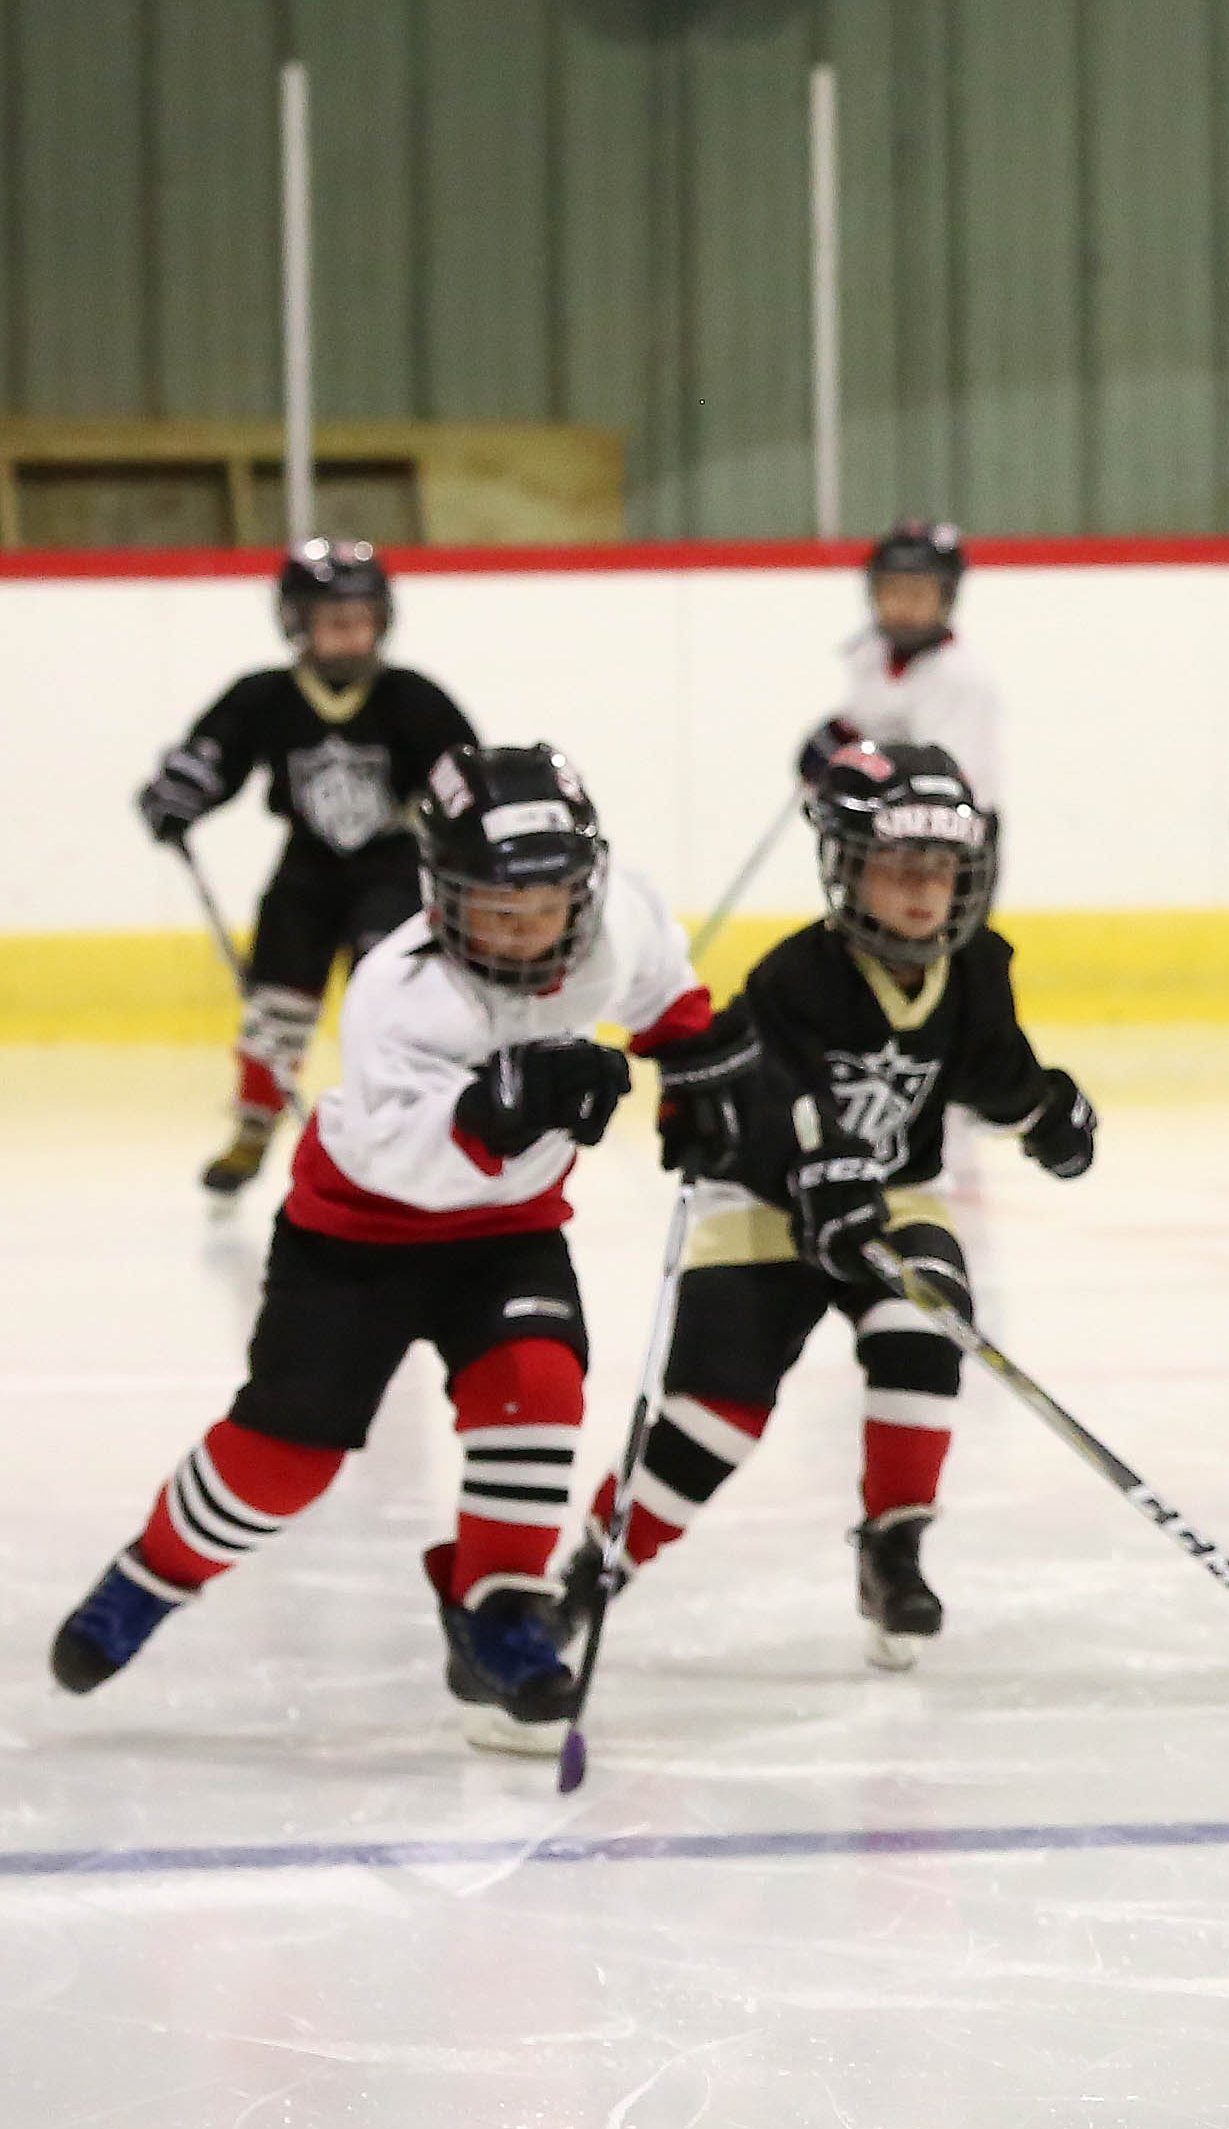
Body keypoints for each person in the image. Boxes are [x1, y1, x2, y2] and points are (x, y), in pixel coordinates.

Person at [47, 746, 737, 1753]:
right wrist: (507, 1106)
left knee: (538, 1388)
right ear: (440, 893)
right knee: (288, 1457)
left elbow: (665, 986)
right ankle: (152, 1572)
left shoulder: (610, 921)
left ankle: (496, 1615)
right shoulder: (398, 992)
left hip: (507, 1235)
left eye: (544, 903)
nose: (521, 926)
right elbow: (402, 1159)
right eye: (494, 905)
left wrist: (698, 1069)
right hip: (358, 1238)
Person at [571, 742, 1096, 1669]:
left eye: (941, 869)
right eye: (899, 868)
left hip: (893, 1197)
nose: (925, 892)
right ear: (845, 868)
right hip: (763, 1206)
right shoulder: (793, 979)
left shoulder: (977, 967)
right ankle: (592, 1571)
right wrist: (803, 1165)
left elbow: (993, 1069)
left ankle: (894, 1548)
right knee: (712, 1417)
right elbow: (752, 1106)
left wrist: (1047, 1113)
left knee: (925, 1327)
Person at [132, 539, 481, 1196]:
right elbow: (212, 756)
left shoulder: (412, 697)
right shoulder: (264, 696)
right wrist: (179, 795)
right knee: (276, 1001)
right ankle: (255, 1127)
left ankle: (406, 1119)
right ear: (296, 622)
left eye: (363, 615)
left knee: (395, 992)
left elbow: (462, 775)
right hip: (307, 870)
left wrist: (473, 829)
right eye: (333, 617)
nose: (351, 631)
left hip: (394, 866)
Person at [800, 520, 1005, 810]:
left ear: (946, 597)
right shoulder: (871, 656)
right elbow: (868, 722)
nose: (902, 605)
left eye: (917, 594)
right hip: (883, 837)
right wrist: (840, 746)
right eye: (892, 591)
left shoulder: (960, 678)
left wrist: (860, 769)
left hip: (950, 841)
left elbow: (946, 787)